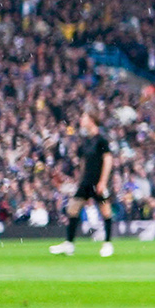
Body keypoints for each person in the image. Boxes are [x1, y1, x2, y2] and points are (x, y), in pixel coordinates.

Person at [51, 110, 114, 258]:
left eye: (84, 117)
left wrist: (103, 182)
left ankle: (107, 244)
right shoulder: (86, 141)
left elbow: (108, 160)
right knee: (72, 209)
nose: (81, 119)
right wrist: (79, 180)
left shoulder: (101, 140)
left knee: (105, 211)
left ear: (92, 119)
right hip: (86, 182)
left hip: (98, 181)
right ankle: (69, 244)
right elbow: (83, 163)